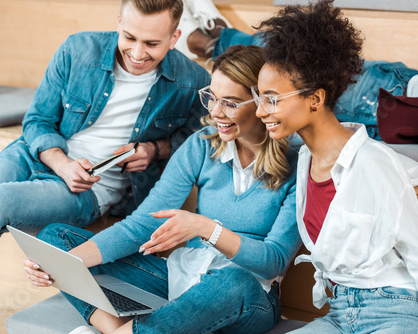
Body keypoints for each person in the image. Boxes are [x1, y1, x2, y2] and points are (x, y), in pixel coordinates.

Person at [0, 0, 211, 332]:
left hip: (88, 189)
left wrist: (154, 149)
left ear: (175, 38)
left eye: (152, 44)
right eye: (129, 37)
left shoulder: (193, 81)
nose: (138, 52)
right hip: (36, 155)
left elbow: (197, 143)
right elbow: (38, 121)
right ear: (118, 22)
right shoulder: (78, 50)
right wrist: (62, 162)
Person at [24, 45, 302, 334]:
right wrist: (66, 263)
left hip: (248, 297)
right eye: (212, 98)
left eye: (230, 103)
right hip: (180, 279)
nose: (216, 112)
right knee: (55, 239)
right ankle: (113, 329)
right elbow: (143, 224)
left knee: (234, 280)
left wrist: (208, 229)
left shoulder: (297, 161)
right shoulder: (202, 145)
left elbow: (273, 261)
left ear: (260, 103)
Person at [250, 1, 418, 332]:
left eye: (271, 99)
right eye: (259, 98)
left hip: (395, 309)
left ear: (315, 99)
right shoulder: (305, 160)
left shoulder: (374, 163)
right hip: (339, 311)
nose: (260, 111)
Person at [176, 0, 418, 140]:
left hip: (393, 135)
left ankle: (213, 39)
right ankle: (213, 39)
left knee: (290, 96)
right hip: (398, 95)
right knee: (293, 60)